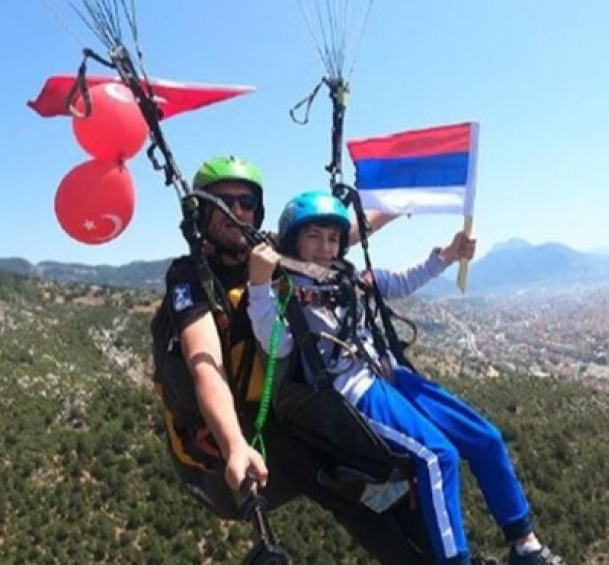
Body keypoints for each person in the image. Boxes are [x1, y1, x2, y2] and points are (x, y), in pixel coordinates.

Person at [247, 190, 563, 565]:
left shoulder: (349, 278)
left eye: (332, 238)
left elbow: (401, 281)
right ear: (294, 240)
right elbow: (277, 345)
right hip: (353, 389)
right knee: (437, 457)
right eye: (313, 237)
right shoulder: (287, 292)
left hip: (388, 375)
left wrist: (448, 255)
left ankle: (524, 543)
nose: (325, 247)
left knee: (485, 438)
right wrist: (258, 288)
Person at [150, 157, 431, 564]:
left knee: (386, 466)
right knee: (341, 488)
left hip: (281, 408)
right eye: (224, 202)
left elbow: (332, 238)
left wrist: (395, 205)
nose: (237, 212)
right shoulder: (190, 280)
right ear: (202, 212)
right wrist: (234, 446)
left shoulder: (263, 250)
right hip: (237, 440)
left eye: (246, 202)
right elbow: (203, 362)